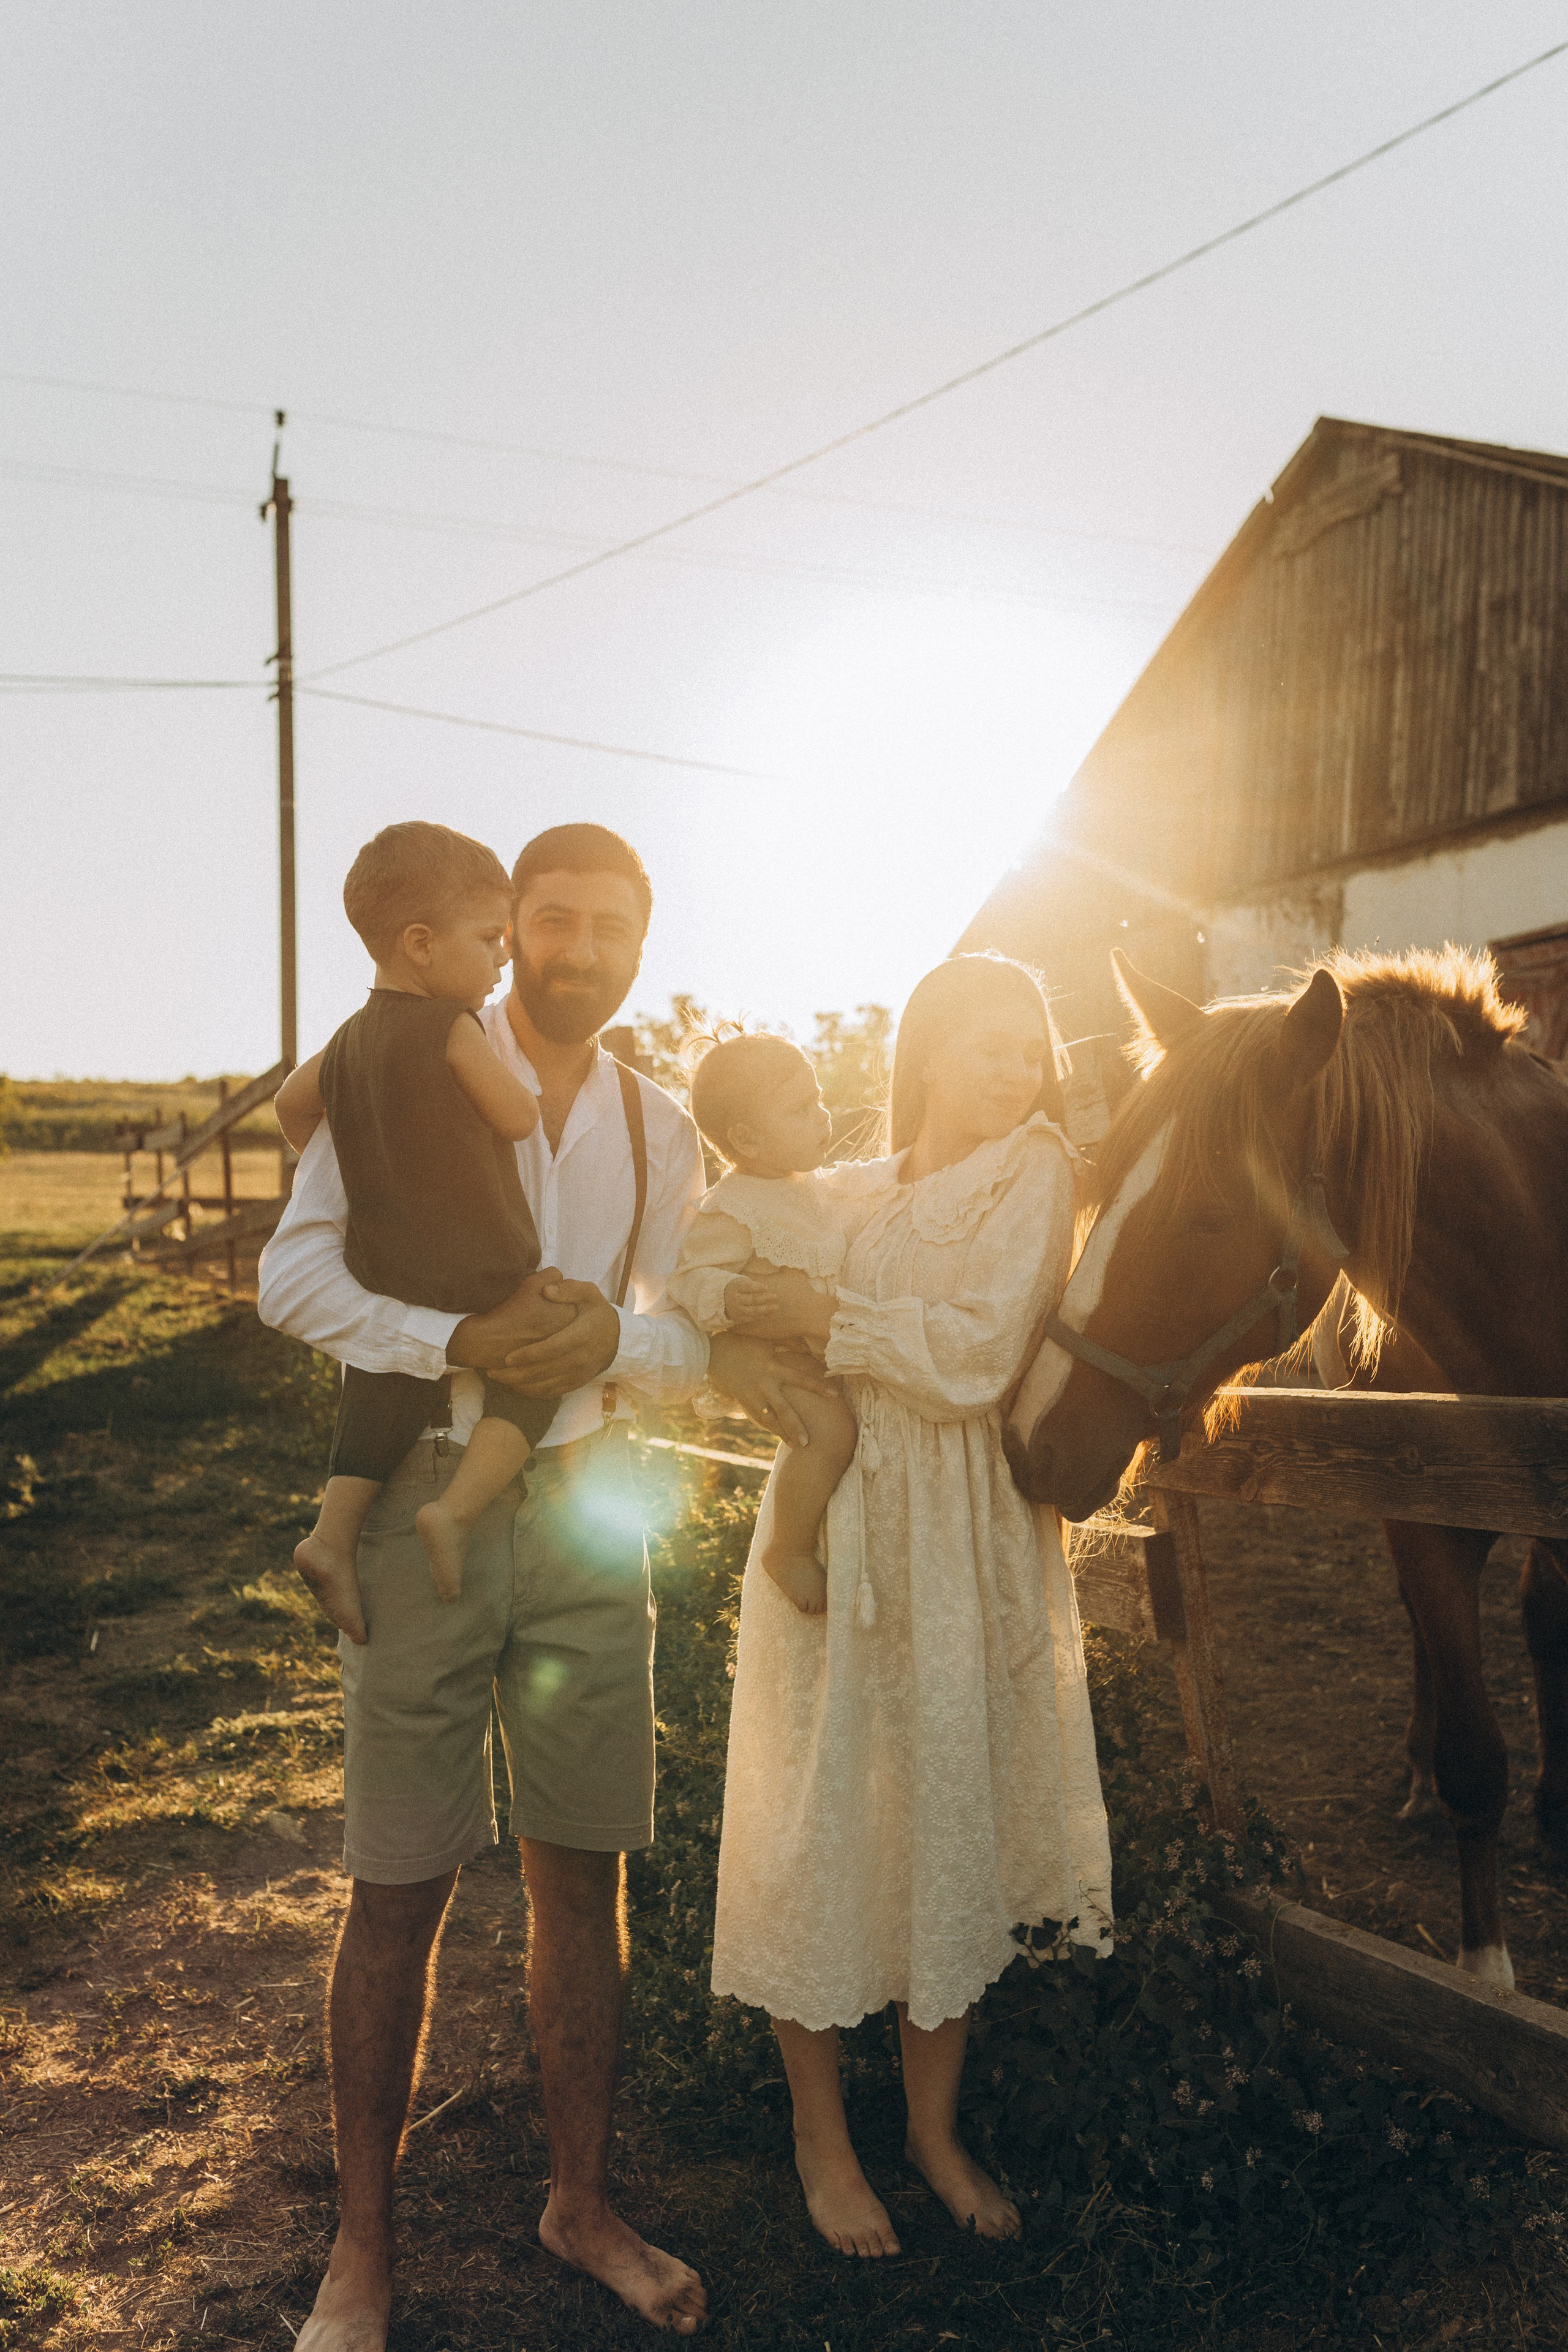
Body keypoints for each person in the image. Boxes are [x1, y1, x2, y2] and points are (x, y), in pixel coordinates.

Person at [258, 823, 821, 2348]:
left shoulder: (654, 1125)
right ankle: (359, 2254)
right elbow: (290, 1274)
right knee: (398, 1883)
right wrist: (456, 1344)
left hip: (586, 1517)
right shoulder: (406, 1058)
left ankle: (580, 2202)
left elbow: (680, 1326)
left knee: (583, 1873)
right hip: (421, 1506)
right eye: (552, 919)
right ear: (508, 924)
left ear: (644, 942)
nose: (578, 947)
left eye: (610, 926)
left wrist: (605, 1349)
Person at [710, 953, 1114, 2260]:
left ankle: (931, 2134)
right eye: (992, 1046)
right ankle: (819, 2137)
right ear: (929, 1048)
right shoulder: (847, 1188)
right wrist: (734, 1334)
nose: (1018, 1070)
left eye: (1030, 1049)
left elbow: (973, 1354)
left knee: (937, 1816)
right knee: (816, 1819)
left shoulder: (1032, 1169)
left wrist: (822, 1311)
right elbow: (720, 1256)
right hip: (830, 1524)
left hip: (955, 1526)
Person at [276, 823, 554, 1642]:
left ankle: (331, 1537)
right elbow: (520, 1117)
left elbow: (295, 1110)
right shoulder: (451, 1027)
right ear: (422, 945)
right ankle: (456, 1511)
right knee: (540, 1359)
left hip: (386, 1265)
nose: (503, 961)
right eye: (489, 940)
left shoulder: (347, 1041)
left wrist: (364, 1145)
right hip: (479, 1262)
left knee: (383, 1379)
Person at [668, 1033, 859, 1616]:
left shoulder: (817, 1189)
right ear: (746, 1140)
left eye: (818, 1098)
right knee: (830, 1434)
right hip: (791, 1361)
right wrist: (726, 1296)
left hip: (840, 1350)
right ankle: (788, 1549)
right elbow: (689, 1274)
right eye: (800, 1110)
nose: (821, 1117)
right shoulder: (735, 1206)